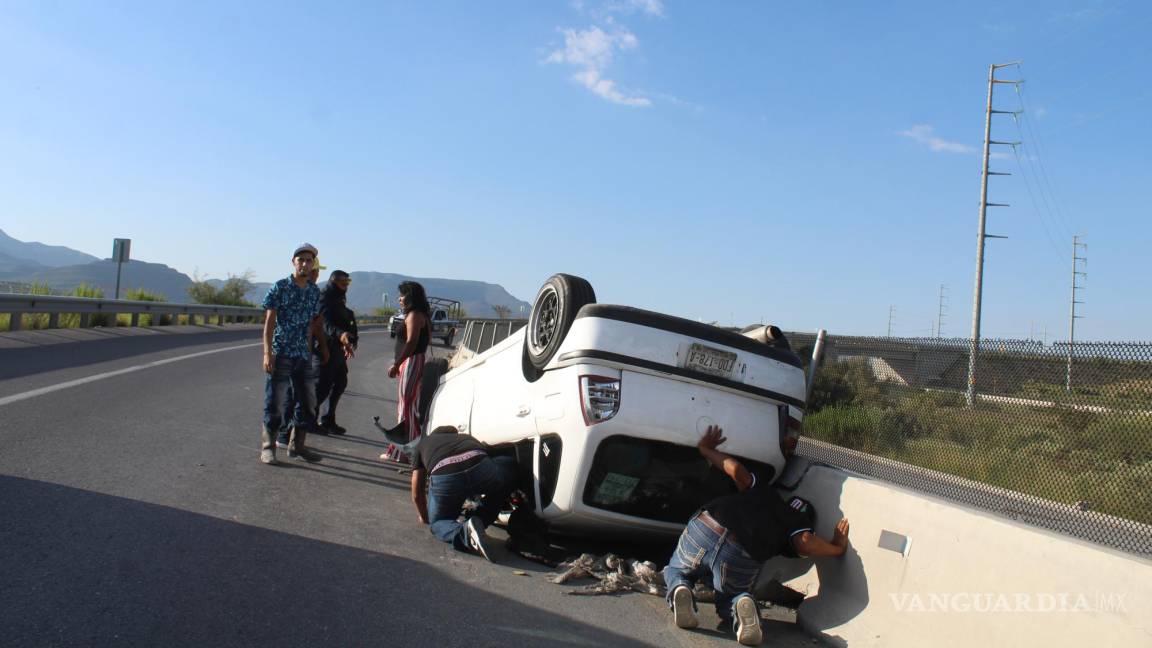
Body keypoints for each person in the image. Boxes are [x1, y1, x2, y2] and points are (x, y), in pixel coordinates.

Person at [663, 426, 850, 646]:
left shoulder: (766, 493)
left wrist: (706, 450)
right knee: (731, 595)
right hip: (742, 551)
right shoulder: (796, 522)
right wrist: (837, 548)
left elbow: (737, 471)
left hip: (708, 526)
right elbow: (805, 542)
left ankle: (680, 586)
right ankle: (740, 602)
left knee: (677, 568)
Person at [260, 243, 328, 464]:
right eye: (301, 260)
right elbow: (269, 322)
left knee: (308, 402)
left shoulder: (313, 292)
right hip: (282, 352)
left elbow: (312, 325)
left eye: (309, 261)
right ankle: (268, 447)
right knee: (275, 401)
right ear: (293, 262)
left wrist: (313, 350)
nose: (305, 264)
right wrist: (267, 353)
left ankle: (297, 445)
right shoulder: (280, 287)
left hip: (302, 355)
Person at [409, 425, 516, 561]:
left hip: (446, 476)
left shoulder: (424, 443)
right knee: (507, 474)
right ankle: (480, 520)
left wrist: (425, 516)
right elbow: (490, 459)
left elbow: (417, 490)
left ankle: (465, 532)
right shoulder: (466, 438)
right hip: (479, 468)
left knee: (440, 522)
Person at [382, 280, 430, 463]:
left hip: (410, 363)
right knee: (409, 407)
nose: (399, 299)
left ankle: (402, 452)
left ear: (410, 297)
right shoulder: (421, 315)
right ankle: (407, 451)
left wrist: (397, 364)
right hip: (413, 363)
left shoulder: (414, 316)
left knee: (406, 408)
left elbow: (411, 342)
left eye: (402, 295)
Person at [317, 270, 358, 434]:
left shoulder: (339, 297)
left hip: (338, 348)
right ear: (334, 281)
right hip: (324, 346)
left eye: (347, 282)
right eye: (343, 282)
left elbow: (344, 317)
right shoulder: (325, 297)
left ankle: (327, 419)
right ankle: (306, 420)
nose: (346, 285)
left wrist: (349, 339)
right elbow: (325, 323)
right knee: (322, 386)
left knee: (340, 382)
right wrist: (340, 334)